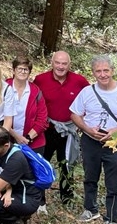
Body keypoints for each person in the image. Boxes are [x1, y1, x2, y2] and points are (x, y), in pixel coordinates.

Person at [70, 55, 117, 224]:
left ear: (112, 71)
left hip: (116, 144)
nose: (102, 75)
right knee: (90, 177)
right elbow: (74, 113)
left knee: (114, 183)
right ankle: (90, 209)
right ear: (93, 72)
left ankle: (111, 218)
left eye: (106, 70)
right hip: (90, 141)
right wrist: (88, 129)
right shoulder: (87, 92)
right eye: (98, 71)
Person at [33, 50, 90, 210]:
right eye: (57, 62)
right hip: (46, 129)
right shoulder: (41, 79)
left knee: (67, 165)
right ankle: (39, 201)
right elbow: (33, 102)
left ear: (69, 65)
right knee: (42, 164)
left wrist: (84, 121)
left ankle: (67, 200)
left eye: (64, 63)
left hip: (69, 130)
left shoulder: (79, 81)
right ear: (52, 63)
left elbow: (90, 100)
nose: (60, 66)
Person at [6, 56, 48, 154]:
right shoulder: (4, 88)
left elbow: (42, 120)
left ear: (29, 72)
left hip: (32, 143)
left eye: (26, 69)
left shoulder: (36, 91)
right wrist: (16, 136)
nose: (23, 71)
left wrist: (28, 138)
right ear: (13, 70)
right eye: (19, 68)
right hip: (6, 140)